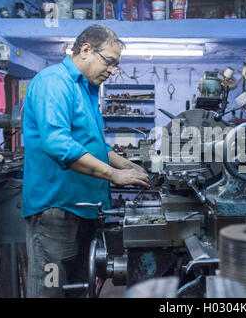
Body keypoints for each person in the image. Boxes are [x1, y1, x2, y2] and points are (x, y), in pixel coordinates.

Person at [22, 25, 150, 298]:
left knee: (80, 288)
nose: (112, 71)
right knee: (52, 288)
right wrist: (114, 176)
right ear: (86, 50)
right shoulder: (54, 83)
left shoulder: (88, 91)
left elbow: (94, 145)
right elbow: (58, 143)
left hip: (85, 210)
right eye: (110, 62)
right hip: (56, 211)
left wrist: (124, 165)